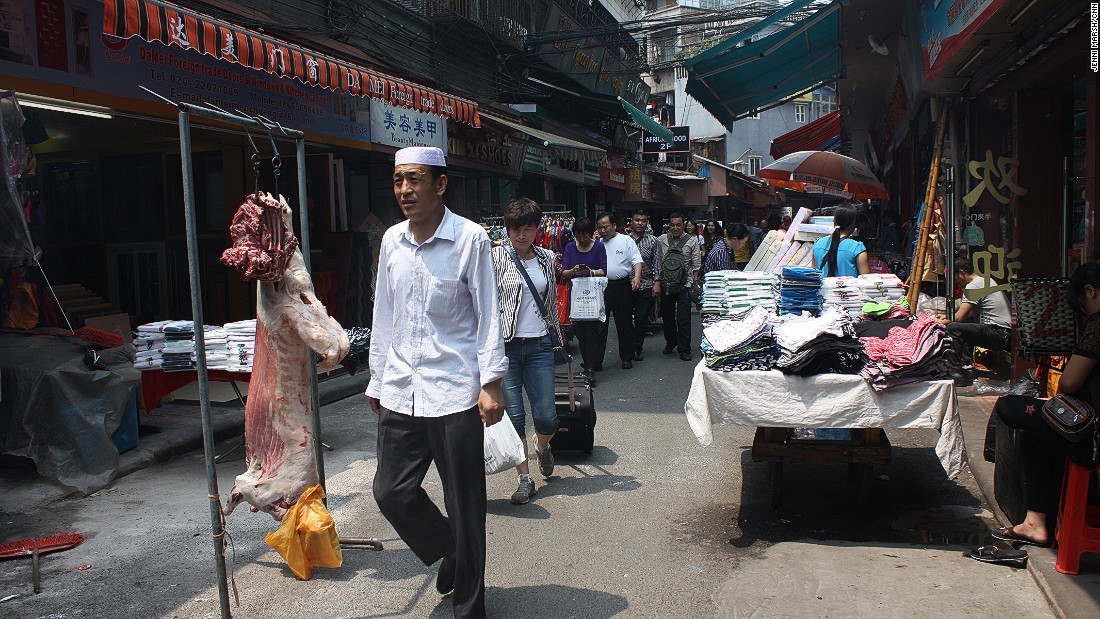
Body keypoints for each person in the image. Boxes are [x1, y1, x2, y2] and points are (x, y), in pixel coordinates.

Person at [367, 146, 508, 619]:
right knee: (391, 491)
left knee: (466, 504)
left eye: (415, 180)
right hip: (402, 387)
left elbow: (489, 315)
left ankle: (469, 607)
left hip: (455, 391)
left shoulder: (470, 240)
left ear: (440, 184)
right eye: (398, 181)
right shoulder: (391, 241)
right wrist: (377, 378)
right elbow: (383, 313)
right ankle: (452, 547)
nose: (405, 190)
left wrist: (492, 382)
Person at [989, 263, 1100, 548]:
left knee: (1008, 407)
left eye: (1083, 309)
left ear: (1091, 292)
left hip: (1093, 433)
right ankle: (1035, 523)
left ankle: (1037, 522)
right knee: (1038, 438)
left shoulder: (1098, 325)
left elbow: (1069, 384)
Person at [489, 197, 561, 505]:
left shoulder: (547, 258)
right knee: (514, 418)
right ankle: (525, 478)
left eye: (528, 229)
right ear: (507, 230)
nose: (521, 235)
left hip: (540, 345)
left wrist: (558, 338)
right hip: (506, 348)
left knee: (547, 418)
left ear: (537, 230)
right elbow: (486, 305)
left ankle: (542, 445)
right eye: (516, 229)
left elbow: (552, 302)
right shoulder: (494, 259)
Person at [938, 258, 1012, 373]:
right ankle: (967, 365)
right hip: (1005, 333)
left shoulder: (973, 286)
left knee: (953, 328)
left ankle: (955, 371)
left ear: (962, 273)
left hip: (999, 333)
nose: (956, 282)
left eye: (955, 277)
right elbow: (967, 314)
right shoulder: (985, 280)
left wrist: (940, 322)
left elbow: (959, 317)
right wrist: (946, 317)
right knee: (966, 327)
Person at [561, 218, 607, 384]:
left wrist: (590, 272)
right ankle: (588, 362)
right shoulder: (570, 247)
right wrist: (573, 271)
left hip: (593, 295)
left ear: (590, 233)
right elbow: (564, 272)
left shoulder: (599, 247)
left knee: (592, 332)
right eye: (578, 235)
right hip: (575, 296)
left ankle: (590, 367)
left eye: (584, 235)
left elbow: (604, 271)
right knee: (580, 332)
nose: (581, 239)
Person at [596, 212, 642, 370]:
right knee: (600, 323)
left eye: (605, 227)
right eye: (600, 227)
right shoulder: (596, 242)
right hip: (602, 286)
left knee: (624, 322)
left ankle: (627, 357)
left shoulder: (626, 240)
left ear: (614, 226)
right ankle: (596, 360)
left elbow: (637, 260)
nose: (602, 230)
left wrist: (636, 277)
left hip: (622, 285)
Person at [657, 212, 701, 361]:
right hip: (666, 284)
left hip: (684, 285)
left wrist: (694, 282)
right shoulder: (662, 240)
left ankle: (684, 349)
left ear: (684, 225)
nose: (675, 228)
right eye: (672, 225)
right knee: (667, 317)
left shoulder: (692, 241)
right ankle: (671, 342)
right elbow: (658, 261)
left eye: (678, 225)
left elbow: (696, 263)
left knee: (683, 318)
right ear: (668, 225)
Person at [627, 209, 661, 361]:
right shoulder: (624, 240)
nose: (640, 223)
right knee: (626, 319)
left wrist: (657, 283)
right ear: (631, 221)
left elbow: (657, 263)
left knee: (641, 319)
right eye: (637, 220)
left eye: (643, 220)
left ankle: (636, 349)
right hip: (626, 285)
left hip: (646, 284)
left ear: (647, 222)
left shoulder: (653, 240)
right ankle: (627, 348)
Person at [812, 204, 870, 277]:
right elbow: (866, 280)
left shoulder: (818, 244)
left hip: (822, 288)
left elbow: (813, 274)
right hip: (849, 288)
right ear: (854, 222)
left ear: (834, 221)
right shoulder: (857, 248)